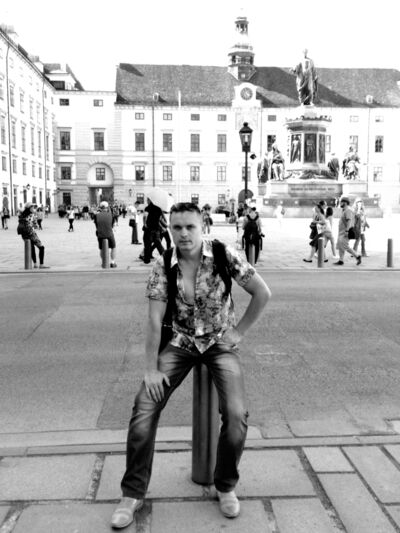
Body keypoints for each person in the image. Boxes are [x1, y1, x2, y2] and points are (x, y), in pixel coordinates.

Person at [110, 202, 271, 529]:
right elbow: (154, 320)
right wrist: (151, 368)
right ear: (170, 229)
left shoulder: (223, 254)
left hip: (219, 343)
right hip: (180, 343)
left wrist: (238, 332)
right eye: (177, 227)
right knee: (144, 408)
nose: (183, 234)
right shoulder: (163, 263)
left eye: (190, 227)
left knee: (237, 415)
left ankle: (225, 485)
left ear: (202, 227)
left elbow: (262, 292)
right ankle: (132, 494)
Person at [17, 202, 50, 269]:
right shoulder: (32, 215)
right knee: (41, 247)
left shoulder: (21, 215)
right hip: (31, 234)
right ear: (29, 208)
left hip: (24, 234)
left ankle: (35, 264)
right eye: (32, 207)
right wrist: (35, 225)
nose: (33, 208)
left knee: (31, 248)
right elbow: (36, 226)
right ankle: (41, 264)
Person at [334, 197, 362, 266]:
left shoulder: (348, 210)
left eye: (341, 202)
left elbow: (349, 221)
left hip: (345, 231)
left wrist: (347, 231)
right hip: (341, 231)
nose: (340, 203)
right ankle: (341, 260)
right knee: (341, 245)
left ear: (345, 203)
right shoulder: (344, 210)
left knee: (344, 245)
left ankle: (357, 256)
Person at [94, 201, 117, 268]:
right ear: (107, 207)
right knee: (113, 247)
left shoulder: (96, 216)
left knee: (101, 248)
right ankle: (112, 262)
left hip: (100, 234)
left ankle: (103, 262)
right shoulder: (111, 215)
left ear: (100, 208)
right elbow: (112, 225)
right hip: (109, 234)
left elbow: (96, 225)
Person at [142, 198, 165, 264]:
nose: (147, 201)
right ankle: (166, 257)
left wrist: (145, 224)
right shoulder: (159, 208)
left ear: (150, 200)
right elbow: (160, 219)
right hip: (156, 229)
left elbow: (145, 217)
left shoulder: (147, 208)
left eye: (147, 200)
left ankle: (147, 260)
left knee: (147, 245)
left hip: (149, 229)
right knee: (158, 245)